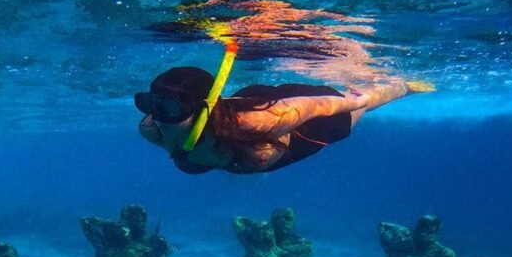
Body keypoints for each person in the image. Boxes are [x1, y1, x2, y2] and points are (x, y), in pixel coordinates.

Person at [135, 43, 430, 174]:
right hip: (249, 104)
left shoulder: (258, 121)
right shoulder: (151, 129)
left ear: (203, 109)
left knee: (362, 104)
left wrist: (358, 100)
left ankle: (404, 87)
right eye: (148, 105)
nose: (158, 118)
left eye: (169, 108)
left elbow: (318, 106)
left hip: (305, 131)